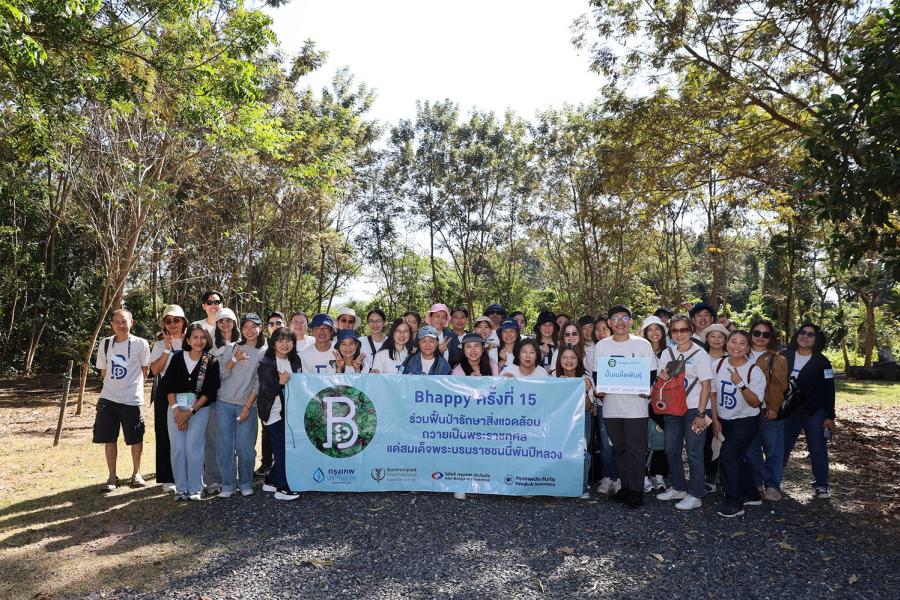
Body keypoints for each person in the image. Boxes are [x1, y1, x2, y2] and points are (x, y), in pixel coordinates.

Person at [593, 305, 655, 509]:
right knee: (619, 449)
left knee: (635, 450)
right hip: (611, 407)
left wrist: (647, 389)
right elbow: (597, 374)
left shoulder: (642, 344)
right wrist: (599, 389)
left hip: (636, 408)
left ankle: (636, 491)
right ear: (609, 323)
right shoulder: (602, 346)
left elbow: (651, 373)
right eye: (615, 318)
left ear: (631, 321)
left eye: (624, 318)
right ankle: (626, 488)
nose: (620, 322)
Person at [654, 315, 713, 511]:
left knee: (694, 452)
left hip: (695, 408)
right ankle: (679, 487)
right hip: (672, 408)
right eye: (675, 331)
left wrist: (701, 414)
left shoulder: (700, 354)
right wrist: (663, 378)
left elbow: (706, 385)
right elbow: (662, 381)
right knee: (671, 449)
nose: (679, 334)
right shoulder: (667, 353)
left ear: (691, 331)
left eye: (684, 330)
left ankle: (696, 494)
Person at [158, 323, 220, 501]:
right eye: (195, 337)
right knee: (178, 448)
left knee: (193, 448)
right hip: (176, 409)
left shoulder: (211, 361)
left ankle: (195, 488)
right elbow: (167, 386)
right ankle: (181, 488)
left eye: (203, 337)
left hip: (199, 410)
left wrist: (190, 412)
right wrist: (177, 411)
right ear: (188, 340)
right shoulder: (177, 358)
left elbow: (210, 392)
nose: (199, 341)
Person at [93, 308, 151, 491]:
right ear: (112, 324)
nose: (121, 325)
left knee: (136, 437)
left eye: (124, 321)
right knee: (109, 438)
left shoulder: (141, 343)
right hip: (108, 398)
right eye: (117, 322)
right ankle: (112, 476)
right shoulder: (105, 343)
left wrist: (133, 388)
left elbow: (145, 370)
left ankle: (136, 473)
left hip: (132, 398)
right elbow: (103, 371)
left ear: (131, 322)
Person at [710, 330, 767, 517]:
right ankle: (752, 494)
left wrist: (741, 384)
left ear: (748, 347)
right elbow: (713, 394)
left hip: (746, 421)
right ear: (727, 344)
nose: (737, 346)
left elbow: (756, 402)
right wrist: (715, 420)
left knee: (728, 457)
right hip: (725, 420)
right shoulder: (718, 364)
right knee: (735, 458)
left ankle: (734, 502)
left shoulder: (754, 371)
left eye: (742, 343)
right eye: (733, 341)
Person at [782, 322, 836, 499]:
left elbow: (829, 390)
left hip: (813, 411)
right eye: (802, 332)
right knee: (782, 446)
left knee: (818, 448)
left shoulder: (822, 361)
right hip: (788, 410)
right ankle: (774, 480)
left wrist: (830, 415)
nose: (805, 336)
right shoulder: (784, 356)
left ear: (816, 339)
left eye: (810, 334)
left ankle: (821, 485)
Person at [215, 313, 265, 498]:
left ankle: (245, 482)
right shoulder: (231, 347)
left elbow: (258, 382)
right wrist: (234, 359)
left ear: (260, 328)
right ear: (241, 329)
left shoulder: (264, 351)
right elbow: (221, 374)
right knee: (225, 447)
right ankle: (228, 484)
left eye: (254, 326)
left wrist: (247, 407)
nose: (249, 330)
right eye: (246, 327)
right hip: (224, 403)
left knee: (245, 447)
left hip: (248, 405)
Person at [450, 332, 499, 500]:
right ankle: (461, 483)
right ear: (463, 350)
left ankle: (483, 482)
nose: (473, 350)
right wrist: (468, 385)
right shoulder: (458, 370)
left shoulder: (492, 365)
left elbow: (497, 391)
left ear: (483, 348)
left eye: (477, 346)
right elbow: (454, 398)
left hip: (487, 416)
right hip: (465, 419)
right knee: (464, 450)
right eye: (468, 347)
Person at [256, 327, 302, 501]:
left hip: (291, 412)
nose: (285, 344)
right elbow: (267, 392)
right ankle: (282, 488)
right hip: (273, 412)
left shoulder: (295, 360)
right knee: (283, 450)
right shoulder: (266, 363)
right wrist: (281, 383)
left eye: (288, 340)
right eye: (280, 340)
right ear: (273, 343)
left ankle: (272, 480)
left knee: (286, 448)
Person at [746, 318, 789, 502]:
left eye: (766, 334)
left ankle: (772, 485)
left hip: (768, 411)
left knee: (773, 450)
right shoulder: (741, 353)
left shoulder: (777, 358)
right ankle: (756, 483)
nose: (761, 337)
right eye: (757, 333)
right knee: (751, 450)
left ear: (771, 337)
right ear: (751, 334)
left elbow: (780, 385)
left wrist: (773, 407)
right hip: (745, 412)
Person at [149, 305, 187, 493]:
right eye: (168, 321)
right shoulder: (158, 345)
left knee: (189, 434)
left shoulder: (192, 339)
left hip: (188, 392)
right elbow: (155, 370)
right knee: (164, 434)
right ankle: (167, 477)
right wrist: (166, 349)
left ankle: (191, 474)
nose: (172, 324)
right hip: (165, 392)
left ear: (183, 322)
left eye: (176, 320)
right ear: (164, 324)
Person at [555, 345, 594, 499]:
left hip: (581, 419)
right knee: (560, 452)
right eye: (565, 357)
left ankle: (582, 487)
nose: (569, 361)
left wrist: (584, 391)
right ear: (559, 360)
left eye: (573, 357)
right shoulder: (553, 378)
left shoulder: (586, 378)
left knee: (582, 453)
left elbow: (587, 408)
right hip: (560, 420)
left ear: (578, 360)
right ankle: (561, 484)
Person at [701, 322, 731, 492]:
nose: (716, 339)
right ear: (707, 339)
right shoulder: (701, 356)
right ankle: (709, 477)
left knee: (725, 442)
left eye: (720, 336)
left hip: (726, 407)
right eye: (712, 336)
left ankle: (724, 478)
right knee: (706, 443)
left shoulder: (731, 358)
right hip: (703, 407)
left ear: (725, 340)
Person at [640, 315, 668, 493]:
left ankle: (659, 474)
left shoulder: (670, 352)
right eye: (649, 329)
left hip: (664, 403)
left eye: (657, 328)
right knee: (641, 439)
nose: (654, 332)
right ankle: (642, 475)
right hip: (642, 402)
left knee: (661, 438)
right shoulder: (638, 351)